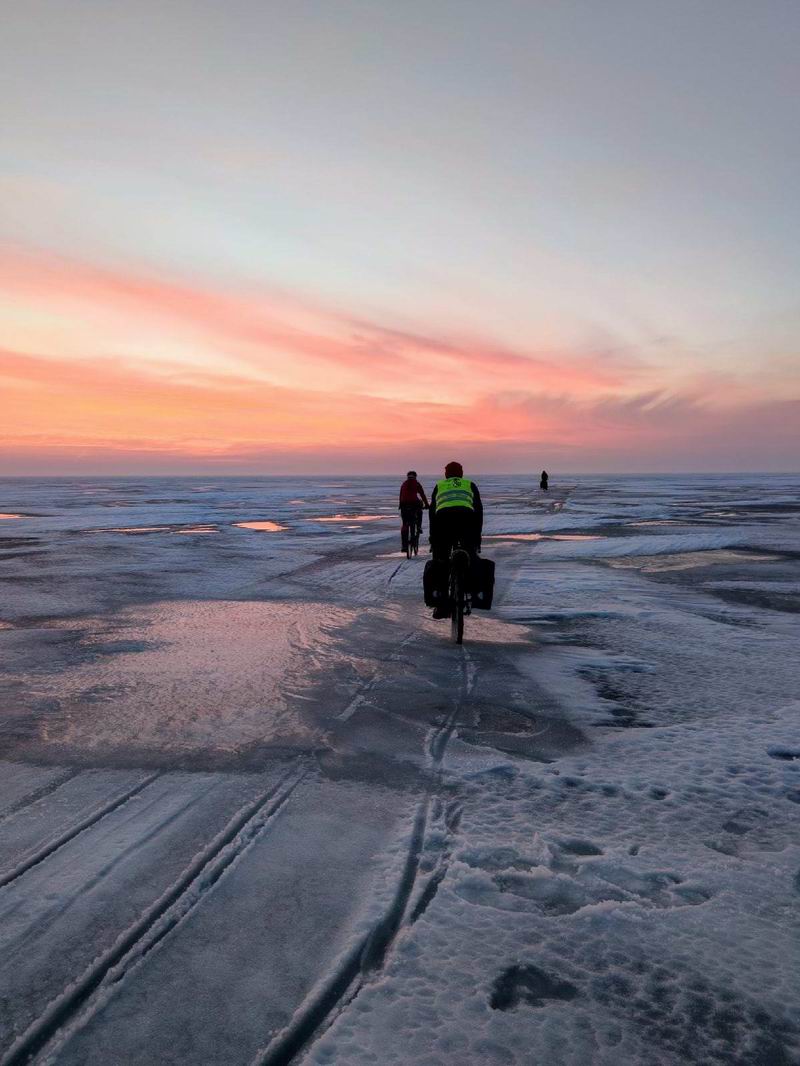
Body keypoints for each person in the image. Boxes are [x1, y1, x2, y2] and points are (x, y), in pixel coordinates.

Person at [428, 462, 483, 617]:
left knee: (441, 560)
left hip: (443, 524)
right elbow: (478, 511)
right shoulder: (470, 485)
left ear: (446, 474)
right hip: (467, 524)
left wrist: (434, 538)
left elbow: (432, 514)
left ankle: (442, 600)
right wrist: (476, 537)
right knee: (471, 556)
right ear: (461, 473)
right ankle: (474, 593)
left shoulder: (439, 486)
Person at [399, 470, 428, 552]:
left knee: (405, 524)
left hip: (404, 505)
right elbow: (422, 494)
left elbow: (401, 496)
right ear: (415, 476)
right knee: (419, 511)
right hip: (414, 504)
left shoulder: (404, 484)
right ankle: (418, 526)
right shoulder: (416, 483)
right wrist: (427, 505)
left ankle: (404, 546)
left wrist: (401, 506)